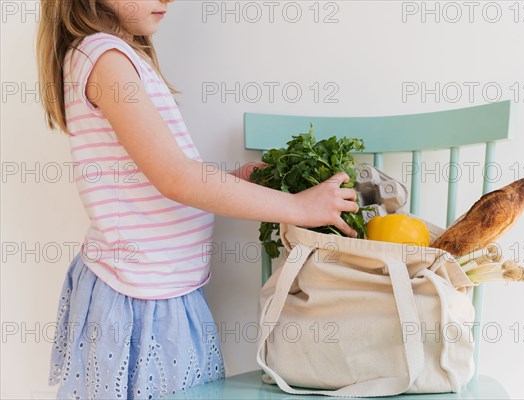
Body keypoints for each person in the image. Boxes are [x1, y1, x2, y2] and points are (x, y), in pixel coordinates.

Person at [36, 0, 359, 398]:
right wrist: (298, 208)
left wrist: (230, 181)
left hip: (161, 288)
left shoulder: (117, 56)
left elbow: (155, 176)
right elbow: (175, 177)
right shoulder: (106, 60)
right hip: (138, 298)